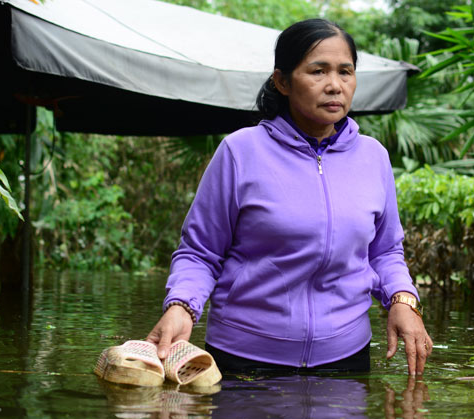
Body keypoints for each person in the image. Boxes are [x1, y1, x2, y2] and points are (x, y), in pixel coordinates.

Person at [147, 18, 433, 376]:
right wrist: (181, 307)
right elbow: (201, 252)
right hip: (245, 358)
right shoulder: (240, 152)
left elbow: (385, 251)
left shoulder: (373, 157)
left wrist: (402, 301)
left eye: (346, 72)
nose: (334, 85)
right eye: (318, 71)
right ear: (282, 81)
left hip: (345, 360)